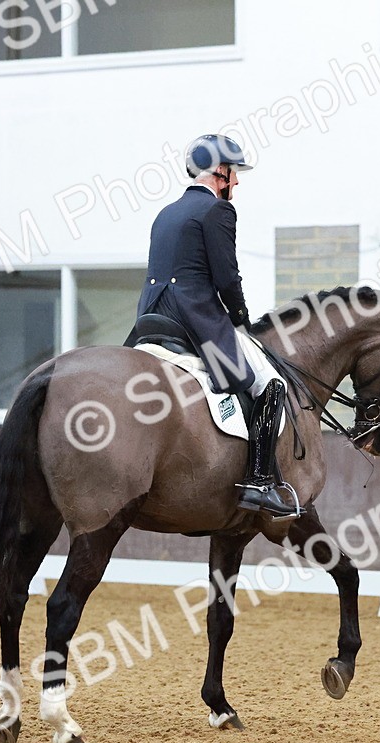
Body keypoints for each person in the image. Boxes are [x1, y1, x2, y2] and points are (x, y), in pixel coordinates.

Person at [128, 134, 297, 519]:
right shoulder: (217, 212)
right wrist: (241, 319)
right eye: (234, 173)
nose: (236, 182)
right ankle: (259, 481)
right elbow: (225, 278)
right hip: (195, 319)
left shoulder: (165, 213)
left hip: (153, 319)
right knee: (271, 383)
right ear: (220, 172)